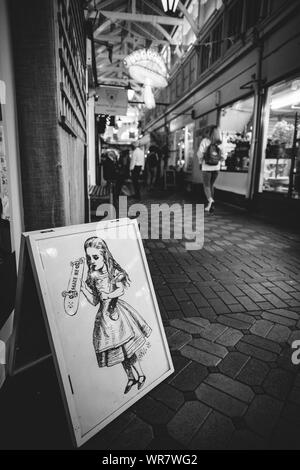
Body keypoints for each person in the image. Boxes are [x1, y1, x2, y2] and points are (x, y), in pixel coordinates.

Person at [80, 237, 152, 394]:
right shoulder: (92, 275)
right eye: (88, 258)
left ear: (104, 254)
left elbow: (120, 290)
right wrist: (82, 289)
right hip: (104, 320)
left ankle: (140, 375)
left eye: (95, 257)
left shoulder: (113, 272)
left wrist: (109, 294)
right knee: (118, 352)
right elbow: (94, 301)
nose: (91, 261)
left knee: (128, 349)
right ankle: (131, 377)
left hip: (117, 315)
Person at [197, 125, 223, 213]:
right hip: (216, 167)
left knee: (206, 186)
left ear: (209, 132)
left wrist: (200, 163)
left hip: (207, 166)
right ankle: (210, 206)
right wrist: (219, 161)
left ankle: (210, 200)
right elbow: (224, 156)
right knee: (211, 185)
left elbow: (200, 154)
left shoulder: (205, 141)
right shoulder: (220, 143)